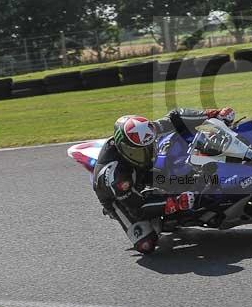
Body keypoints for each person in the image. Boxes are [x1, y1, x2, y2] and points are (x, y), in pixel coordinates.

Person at [92, 107, 235, 252]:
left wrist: (210, 114)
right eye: (139, 152)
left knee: (180, 172)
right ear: (123, 148)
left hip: (142, 171)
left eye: (148, 148)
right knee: (146, 244)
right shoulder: (117, 178)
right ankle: (155, 217)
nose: (147, 154)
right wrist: (176, 202)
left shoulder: (144, 133)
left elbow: (174, 117)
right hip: (120, 198)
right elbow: (138, 208)